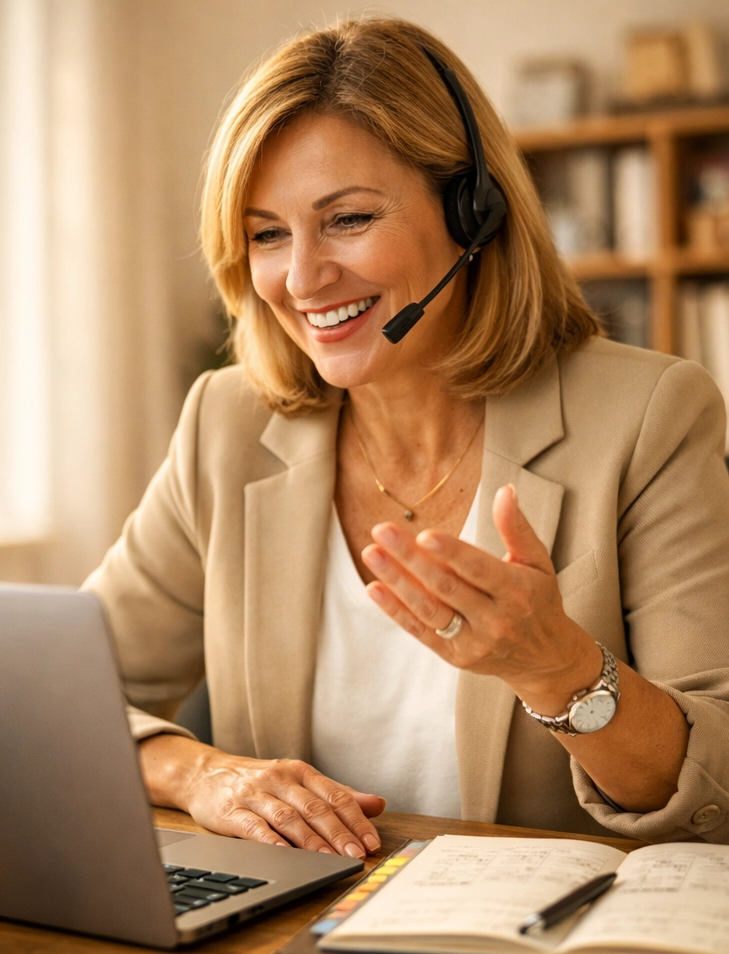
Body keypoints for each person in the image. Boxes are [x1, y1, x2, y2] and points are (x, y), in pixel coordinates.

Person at [85, 18, 729, 856]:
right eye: (267, 234)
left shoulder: (650, 415)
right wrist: (204, 775)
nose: (305, 278)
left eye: (347, 219)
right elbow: (64, 688)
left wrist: (559, 669)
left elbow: (713, 788)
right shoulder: (227, 422)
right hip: (282, 947)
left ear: (474, 212)